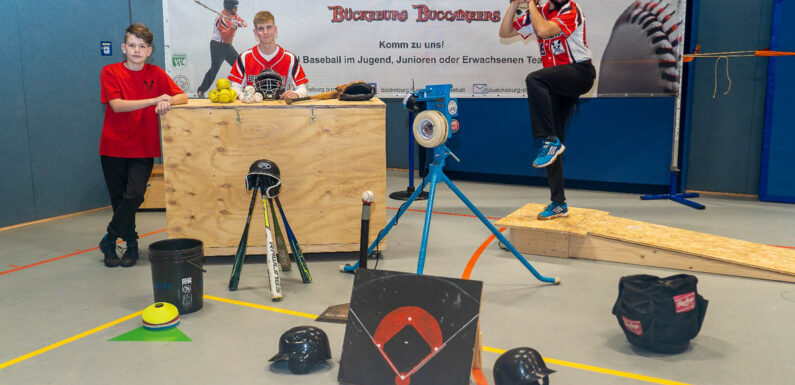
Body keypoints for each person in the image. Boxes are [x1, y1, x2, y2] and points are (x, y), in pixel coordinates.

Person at [99, 23, 188, 267]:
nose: (136, 50)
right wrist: (154, 99)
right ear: (123, 48)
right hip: (113, 148)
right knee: (119, 200)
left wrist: (168, 100)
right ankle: (130, 246)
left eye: (142, 46)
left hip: (143, 148)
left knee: (135, 195)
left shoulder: (156, 73)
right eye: (132, 45)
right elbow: (117, 105)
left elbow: (183, 96)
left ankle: (110, 238)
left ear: (149, 51)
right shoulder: (110, 71)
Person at [499, 0, 596, 220]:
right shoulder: (539, 12)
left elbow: (543, 30)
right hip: (556, 84)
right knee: (552, 146)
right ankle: (558, 203)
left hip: (580, 73)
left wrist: (531, 3)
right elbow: (505, 32)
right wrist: (515, 4)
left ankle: (549, 140)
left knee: (534, 79)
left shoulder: (571, 9)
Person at [228, 11, 308, 100]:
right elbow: (235, 88)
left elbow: (302, 88)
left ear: (275, 29)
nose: (265, 32)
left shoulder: (290, 58)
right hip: (252, 110)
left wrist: (296, 94)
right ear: (255, 32)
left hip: (281, 110)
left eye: (269, 27)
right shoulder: (244, 57)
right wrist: (245, 97)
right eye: (261, 28)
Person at [196, 0, 247, 98]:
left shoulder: (234, 14)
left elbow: (245, 23)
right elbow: (226, 37)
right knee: (214, 70)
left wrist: (239, 23)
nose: (236, 9)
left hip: (227, 46)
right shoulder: (221, 19)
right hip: (217, 47)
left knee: (240, 66)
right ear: (228, 7)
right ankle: (201, 90)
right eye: (234, 7)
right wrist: (232, 27)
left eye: (236, 6)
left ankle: (245, 88)